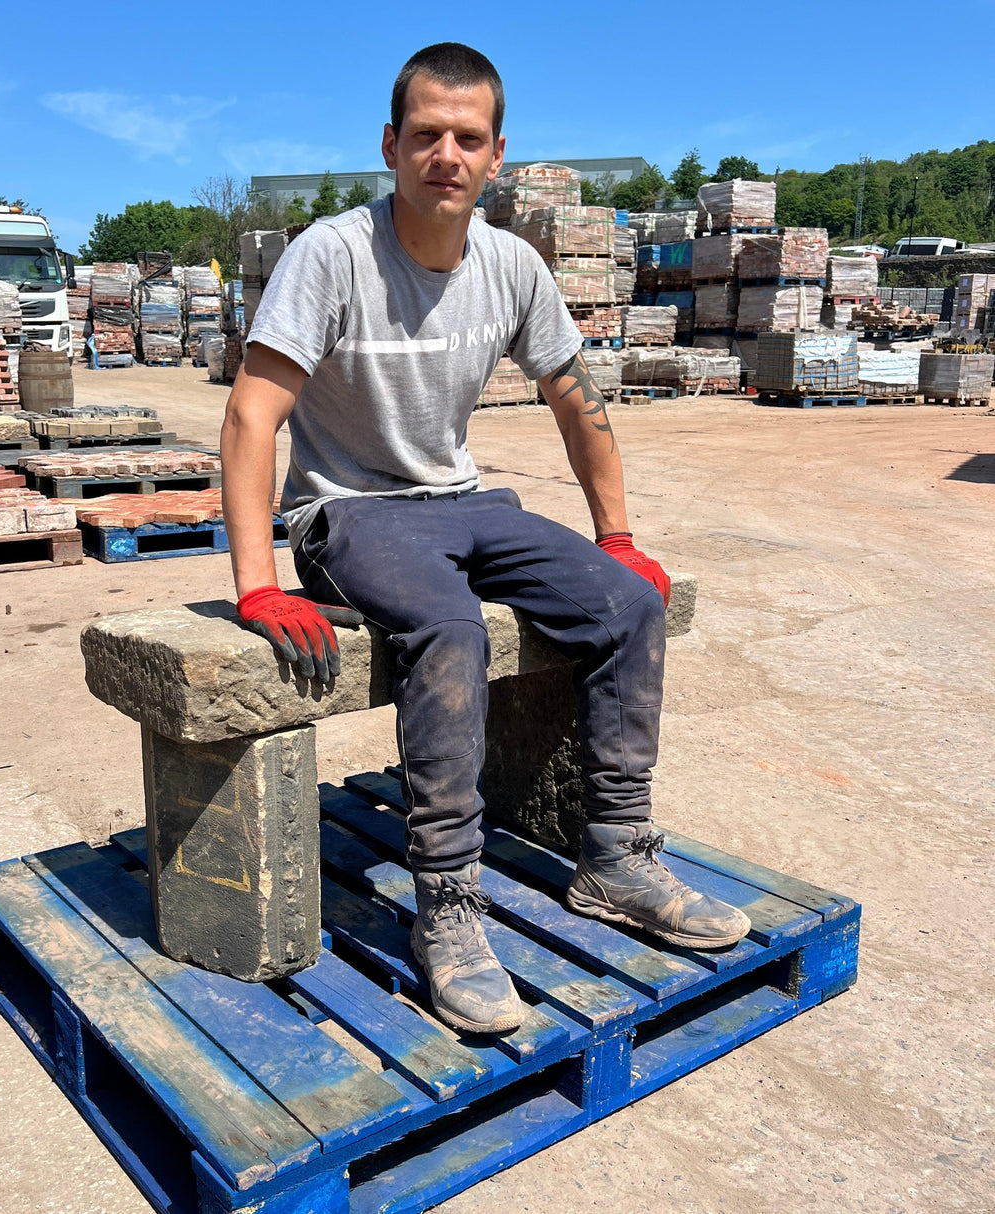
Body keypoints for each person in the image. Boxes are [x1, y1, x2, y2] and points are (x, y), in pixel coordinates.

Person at [221, 42, 750, 1035]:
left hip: (462, 501)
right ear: (389, 144)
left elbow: (575, 398)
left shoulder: (510, 264)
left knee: (627, 602)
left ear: (496, 154)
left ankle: (614, 855)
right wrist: (257, 584)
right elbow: (253, 413)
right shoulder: (330, 254)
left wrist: (617, 533)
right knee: (445, 627)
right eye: (424, 134)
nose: (444, 155)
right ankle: (450, 909)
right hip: (348, 511)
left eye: (467, 138)